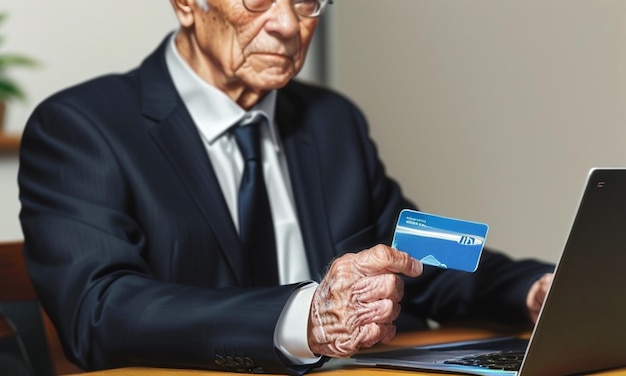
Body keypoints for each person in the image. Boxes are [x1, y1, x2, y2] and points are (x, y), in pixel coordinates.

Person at [17, 0, 554, 374]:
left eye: (304, 1)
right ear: (186, 3)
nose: (287, 25)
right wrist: (307, 317)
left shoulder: (332, 121)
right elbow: (99, 310)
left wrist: (531, 287)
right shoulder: (82, 127)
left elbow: (414, 248)